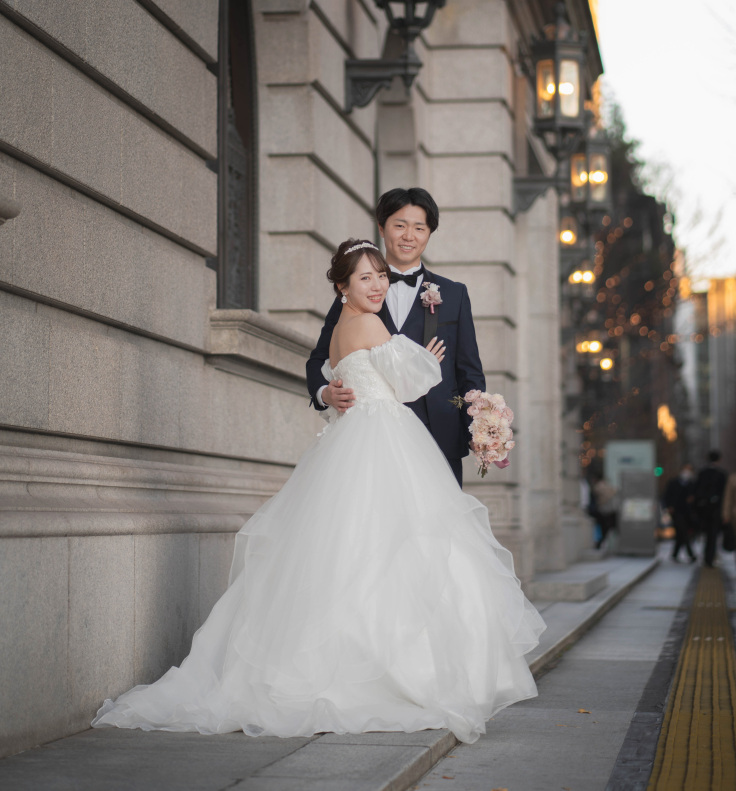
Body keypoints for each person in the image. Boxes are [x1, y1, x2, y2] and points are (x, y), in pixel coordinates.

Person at [92, 239, 545, 743]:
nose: (378, 284)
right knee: (393, 549)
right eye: (366, 277)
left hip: (354, 437)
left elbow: (349, 370)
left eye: (381, 275)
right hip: (382, 436)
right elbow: (411, 382)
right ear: (343, 287)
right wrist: (426, 357)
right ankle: (394, 673)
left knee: (351, 550)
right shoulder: (369, 324)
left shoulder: (346, 327)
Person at [307, 187, 485, 487]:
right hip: (372, 442)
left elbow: (470, 372)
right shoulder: (355, 291)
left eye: (419, 228)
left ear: (430, 233)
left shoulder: (454, 294)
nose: (408, 236)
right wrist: (325, 393)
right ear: (382, 227)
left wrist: (479, 430)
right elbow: (318, 358)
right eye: (399, 225)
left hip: (440, 435)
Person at [694, 450, 727, 567]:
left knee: (706, 535)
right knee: (713, 535)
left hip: (703, 510)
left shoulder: (702, 473)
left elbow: (697, 491)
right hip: (716, 510)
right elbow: (724, 494)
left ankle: (707, 556)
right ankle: (710, 557)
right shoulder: (721, 474)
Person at [664, 463, 697, 563]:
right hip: (676, 512)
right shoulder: (673, 482)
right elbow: (667, 495)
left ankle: (674, 554)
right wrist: (669, 506)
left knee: (680, 534)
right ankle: (691, 554)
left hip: (688, 512)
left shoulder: (692, 484)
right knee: (684, 532)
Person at [590, 473, 618, 549]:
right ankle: (605, 544)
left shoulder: (598, 487)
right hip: (610, 511)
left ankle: (601, 544)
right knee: (609, 529)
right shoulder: (608, 486)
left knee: (603, 529)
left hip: (604, 511)